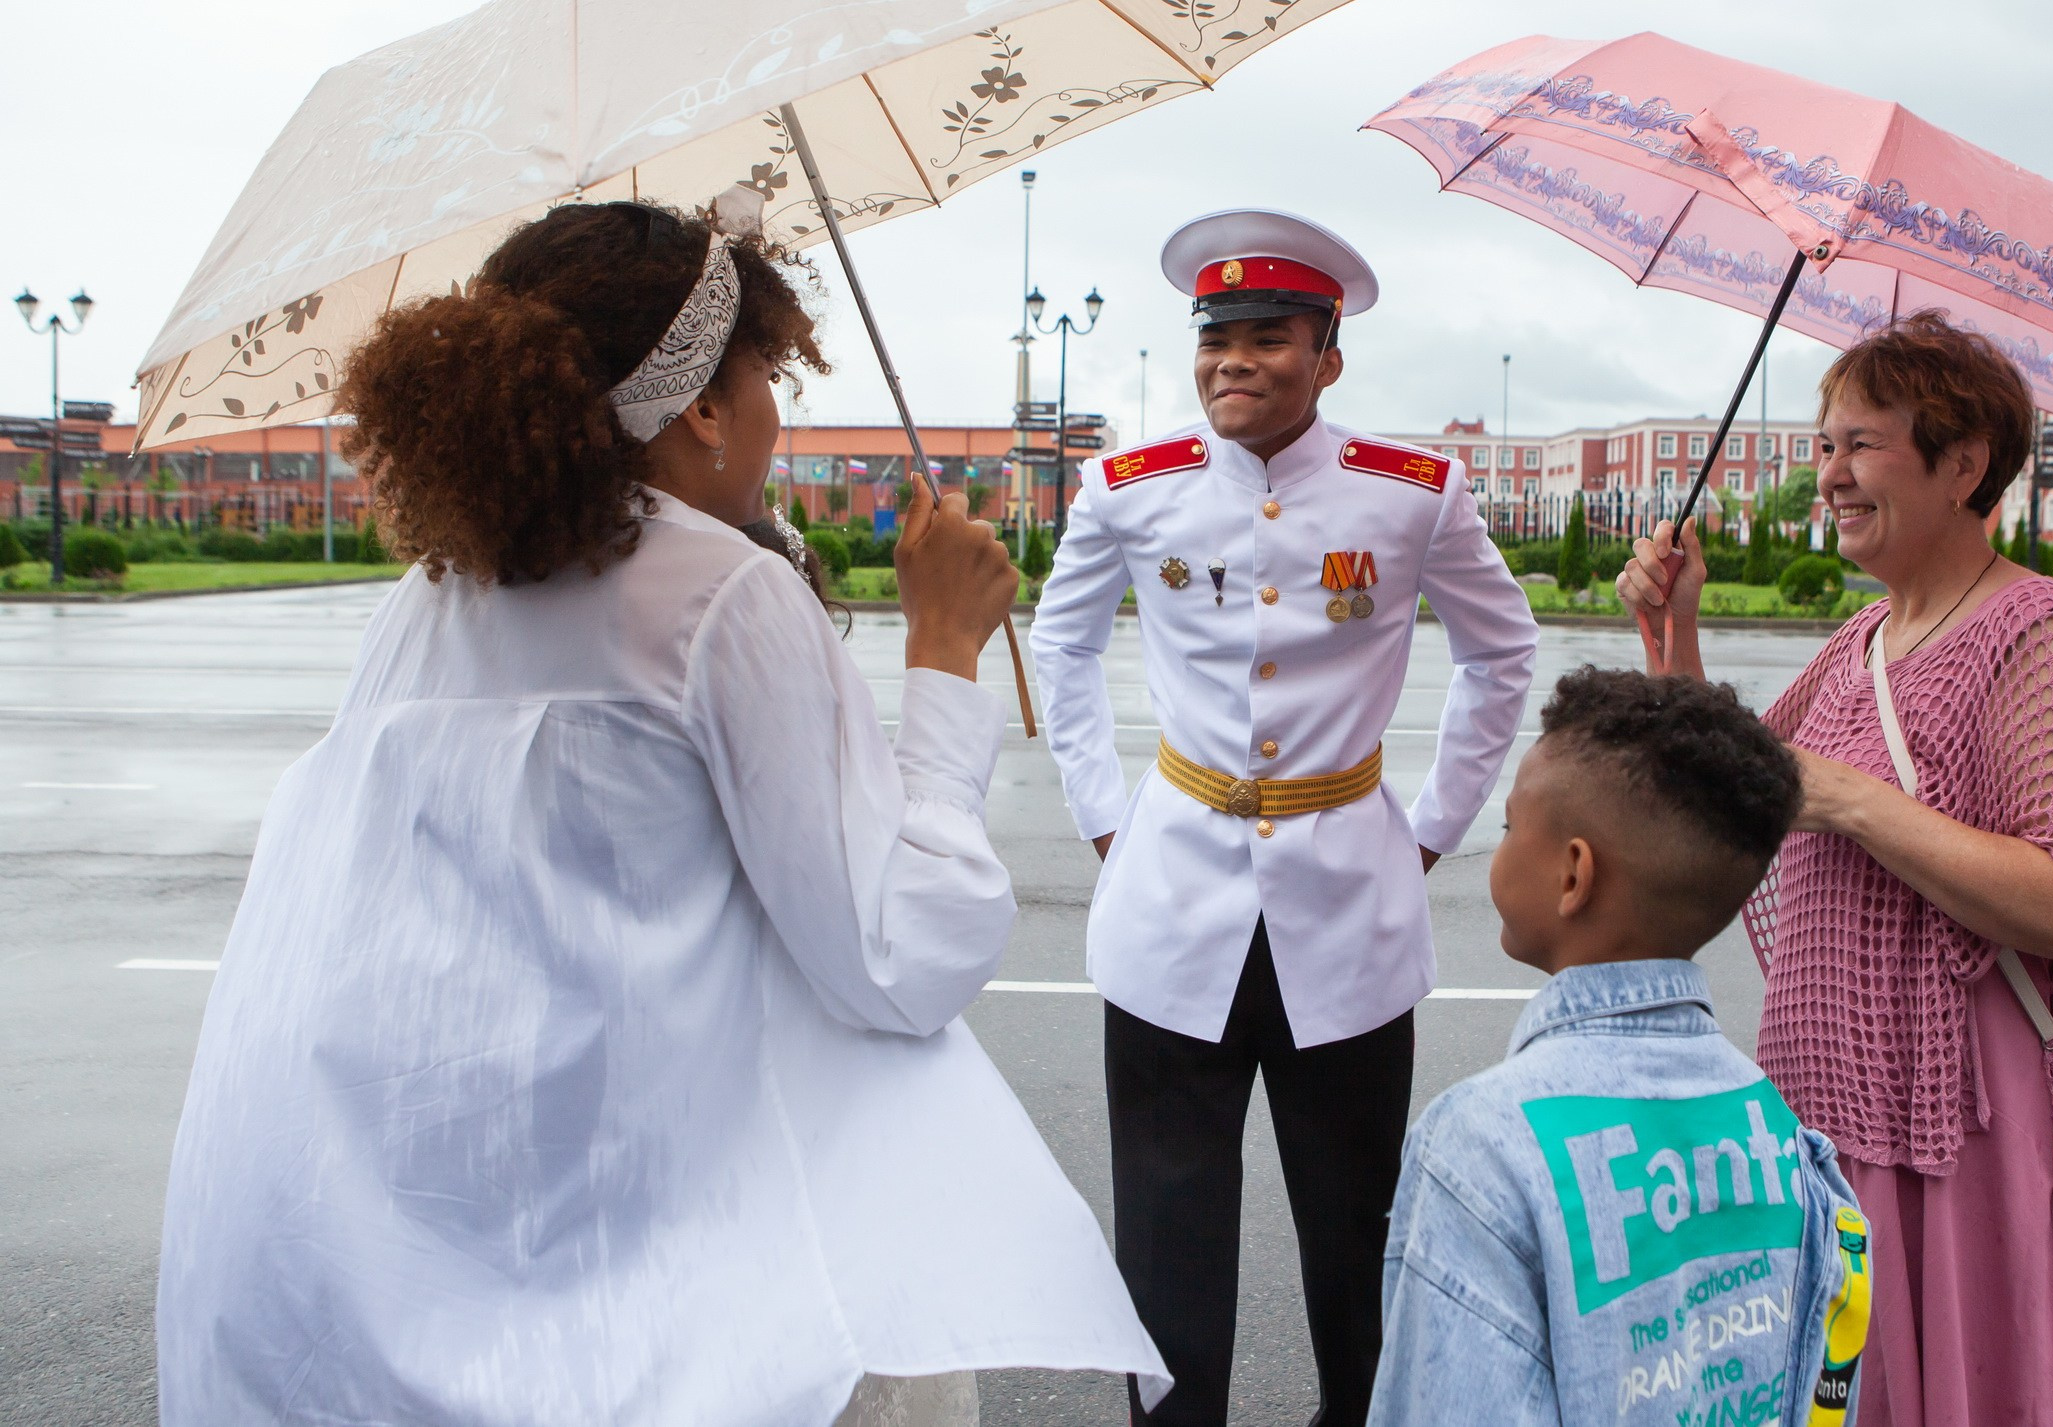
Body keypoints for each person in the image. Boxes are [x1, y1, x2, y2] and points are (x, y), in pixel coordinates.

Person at [155, 198, 1167, 1426]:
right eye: (765, 374)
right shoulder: (717, 591)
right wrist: (945, 651)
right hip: (643, 1277)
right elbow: (902, 952)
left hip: (391, 1255)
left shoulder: (431, 593)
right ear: (702, 404)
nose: (773, 412)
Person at [1029, 208, 1540, 1424]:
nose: (1232, 362)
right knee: (1166, 1247)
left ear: (1329, 352)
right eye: (1216, 338)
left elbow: (1501, 651)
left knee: (1358, 1238)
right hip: (1169, 904)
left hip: (1348, 908)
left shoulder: (1412, 492)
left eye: (1268, 337)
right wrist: (1108, 814)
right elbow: (1060, 643)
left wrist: (1428, 826)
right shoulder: (1125, 487)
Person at [1614, 312, 2053, 1427]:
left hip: (1955, 1116)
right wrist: (1676, 641)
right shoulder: (1857, 644)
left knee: (1948, 1387)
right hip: (1828, 1094)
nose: (1831, 474)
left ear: (1963, 464)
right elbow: (1743, 795)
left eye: (1862, 443)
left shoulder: (2035, 630)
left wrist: (1856, 800)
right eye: (1821, 444)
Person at [1370, 667, 1871, 1427]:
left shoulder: (1476, 1150)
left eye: (1509, 828)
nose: (1498, 847)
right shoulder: (1784, 1139)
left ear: (1574, 873)